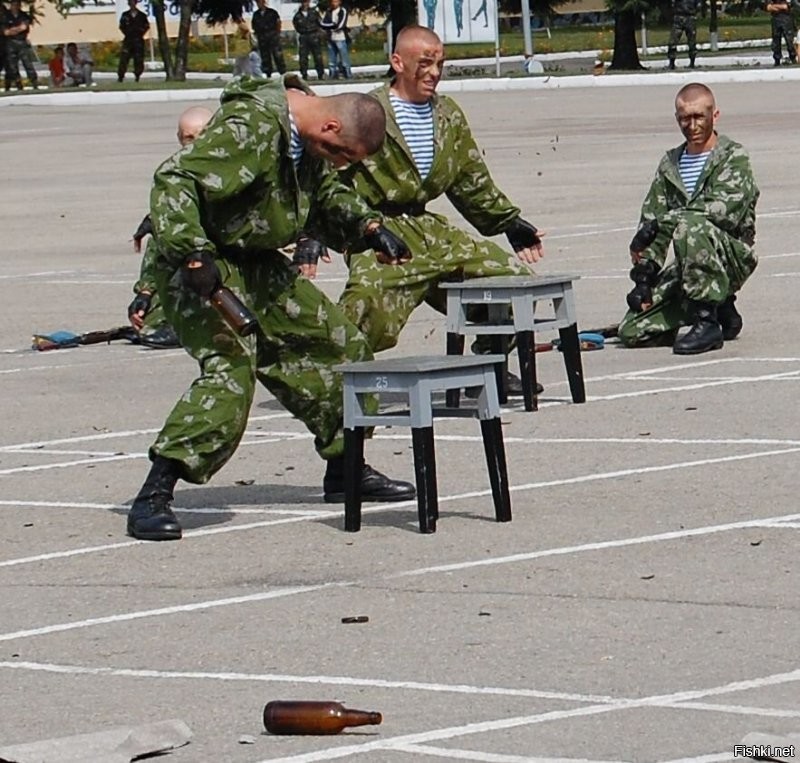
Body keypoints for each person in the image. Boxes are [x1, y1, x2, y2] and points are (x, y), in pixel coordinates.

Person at [126, 76, 415, 542]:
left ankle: (346, 468)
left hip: (255, 261)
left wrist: (367, 227)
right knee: (231, 370)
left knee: (341, 345)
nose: (338, 163)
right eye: (342, 153)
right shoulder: (253, 125)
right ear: (332, 125)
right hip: (203, 264)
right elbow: (175, 179)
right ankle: (155, 493)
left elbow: (323, 195)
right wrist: (192, 254)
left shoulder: (308, 139)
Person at [325, 26, 544, 397]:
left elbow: (471, 178)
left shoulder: (448, 115)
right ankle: (336, 378)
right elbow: (327, 180)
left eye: (439, 63)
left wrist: (508, 222)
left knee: (510, 281)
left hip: (429, 229)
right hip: (383, 231)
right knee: (365, 303)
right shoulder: (367, 112)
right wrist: (314, 235)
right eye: (424, 63)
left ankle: (488, 366)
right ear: (397, 62)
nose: (434, 72)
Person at [618, 83, 759, 355]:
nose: (692, 125)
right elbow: (651, 220)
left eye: (698, 117)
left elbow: (722, 212)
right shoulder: (670, 163)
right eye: (685, 118)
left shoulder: (733, 157)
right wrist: (644, 279)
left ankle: (707, 320)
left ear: (714, 116)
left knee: (689, 225)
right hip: (688, 262)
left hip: (729, 256)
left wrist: (668, 222)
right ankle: (723, 310)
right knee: (633, 331)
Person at [128, 106, 214, 350]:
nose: (196, 143)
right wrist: (145, 292)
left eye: (203, 134)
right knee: (149, 322)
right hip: (194, 268)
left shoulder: (237, 171)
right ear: (179, 140)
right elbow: (161, 244)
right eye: (189, 137)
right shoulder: (175, 178)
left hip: (230, 265)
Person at [3, 0, 39, 91]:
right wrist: (18, 29)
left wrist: (13, 30)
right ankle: (18, 84)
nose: (15, 6)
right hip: (10, 43)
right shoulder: (5, 16)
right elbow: (6, 32)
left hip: (22, 42)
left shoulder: (23, 16)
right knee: (12, 66)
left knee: (27, 63)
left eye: (17, 4)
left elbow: (25, 27)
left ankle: (34, 83)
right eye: (13, 4)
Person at [117, 0, 149, 83]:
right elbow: (121, 26)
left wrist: (140, 33)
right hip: (128, 40)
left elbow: (146, 26)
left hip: (138, 40)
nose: (132, 4)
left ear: (136, 3)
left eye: (133, 2)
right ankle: (121, 76)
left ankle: (137, 75)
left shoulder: (142, 15)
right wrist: (127, 33)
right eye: (130, 3)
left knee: (138, 59)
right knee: (124, 59)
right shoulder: (125, 15)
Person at [252, 0, 286, 78]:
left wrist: (277, 34)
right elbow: (254, 26)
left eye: (260, 2)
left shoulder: (272, 12)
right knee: (265, 56)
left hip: (273, 37)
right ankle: (268, 73)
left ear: (264, 2)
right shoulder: (256, 14)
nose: (259, 4)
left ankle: (282, 72)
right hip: (262, 38)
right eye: (257, 3)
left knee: (278, 55)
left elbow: (278, 23)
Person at [292, 0, 325, 81]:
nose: (305, 4)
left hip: (314, 36)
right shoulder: (297, 15)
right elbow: (297, 27)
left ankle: (320, 74)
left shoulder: (314, 12)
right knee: (303, 57)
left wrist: (318, 33)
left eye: (306, 2)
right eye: (303, 2)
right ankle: (304, 74)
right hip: (304, 37)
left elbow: (319, 23)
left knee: (318, 56)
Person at [320, 0, 351, 79]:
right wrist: (332, 25)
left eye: (336, 1)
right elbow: (323, 24)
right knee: (331, 58)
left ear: (340, 2)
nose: (334, 3)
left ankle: (347, 74)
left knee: (344, 58)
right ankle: (332, 74)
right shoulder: (329, 11)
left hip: (340, 37)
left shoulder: (342, 11)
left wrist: (332, 26)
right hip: (330, 37)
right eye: (333, 1)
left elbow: (340, 25)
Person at [667, 0, 698, 70]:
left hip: (690, 17)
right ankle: (671, 63)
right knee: (672, 42)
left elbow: (697, 5)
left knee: (692, 42)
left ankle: (692, 63)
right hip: (679, 17)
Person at [766, 0, 797, 66]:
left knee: (789, 40)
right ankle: (777, 59)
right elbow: (768, 7)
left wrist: (774, 6)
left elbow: (786, 6)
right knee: (776, 40)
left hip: (787, 18)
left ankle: (793, 57)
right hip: (775, 18)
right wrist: (780, 7)